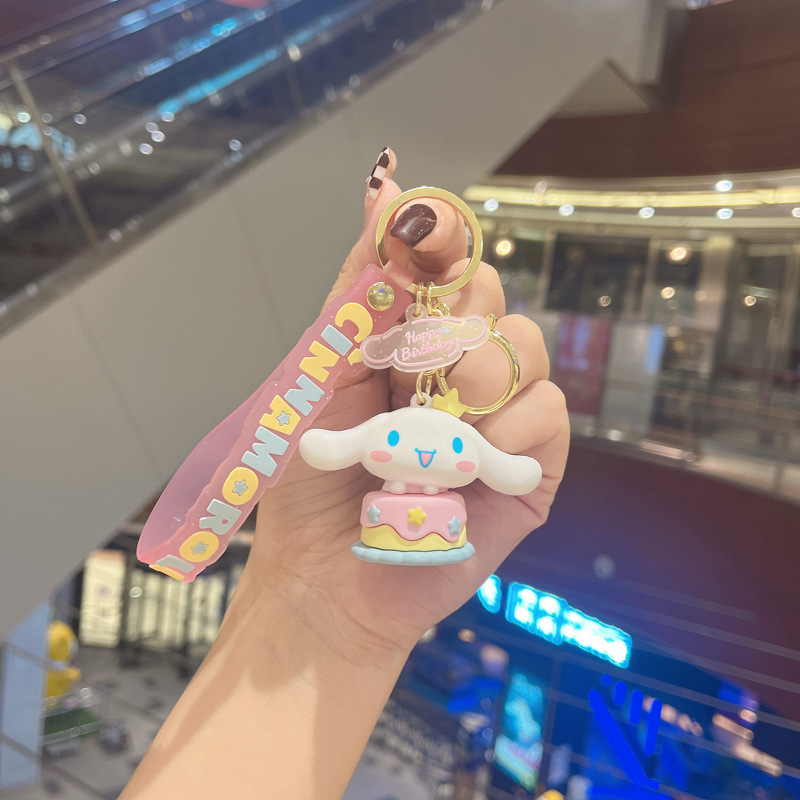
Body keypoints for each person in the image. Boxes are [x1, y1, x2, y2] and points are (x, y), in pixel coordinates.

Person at [119, 148, 569, 799]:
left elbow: (460, 458)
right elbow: (341, 445)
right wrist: (309, 607)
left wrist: (327, 630)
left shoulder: (422, 440)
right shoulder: (374, 432)